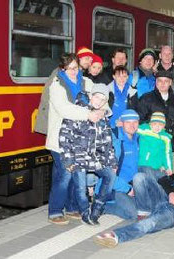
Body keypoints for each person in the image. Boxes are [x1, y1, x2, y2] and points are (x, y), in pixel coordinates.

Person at [94, 153, 174, 248]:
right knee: (139, 177)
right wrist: (171, 193)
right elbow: (165, 180)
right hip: (164, 197)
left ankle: (117, 236)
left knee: (151, 223)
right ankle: (144, 212)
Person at [46, 53, 105, 225]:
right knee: (65, 174)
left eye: (75, 68)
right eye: (69, 69)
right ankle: (55, 211)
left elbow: (101, 95)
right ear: (62, 69)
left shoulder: (86, 82)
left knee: (76, 173)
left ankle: (71, 208)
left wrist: (103, 109)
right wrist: (89, 114)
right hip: (61, 139)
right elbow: (64, 109)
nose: (73, 72)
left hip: (80, 139)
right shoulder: (56, 85)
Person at [59, 83, 117, 225]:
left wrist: (113, 162)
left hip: (96, 158)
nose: (99, 101)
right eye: (96, 97)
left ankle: (97, 208)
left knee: (110, 175)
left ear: (105, 102)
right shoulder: (77, 112)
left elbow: (108, 142)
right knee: (80, 187)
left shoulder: (103, 117)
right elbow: (65, 136)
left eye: (103, 99)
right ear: (91, 96)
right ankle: (85, 213)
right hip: (78, 158)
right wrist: (68, 160)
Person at [137, 70, 174, 171]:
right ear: (156, 82)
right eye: (160, 81)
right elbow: (139, 120)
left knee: (168, 178)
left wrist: (171, 132)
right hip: (149, 147)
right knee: (148, 177)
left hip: (170, 148)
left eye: (166, 81)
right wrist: (153, 130)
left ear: (170, 83)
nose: (163, 84)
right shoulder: (146, 98)